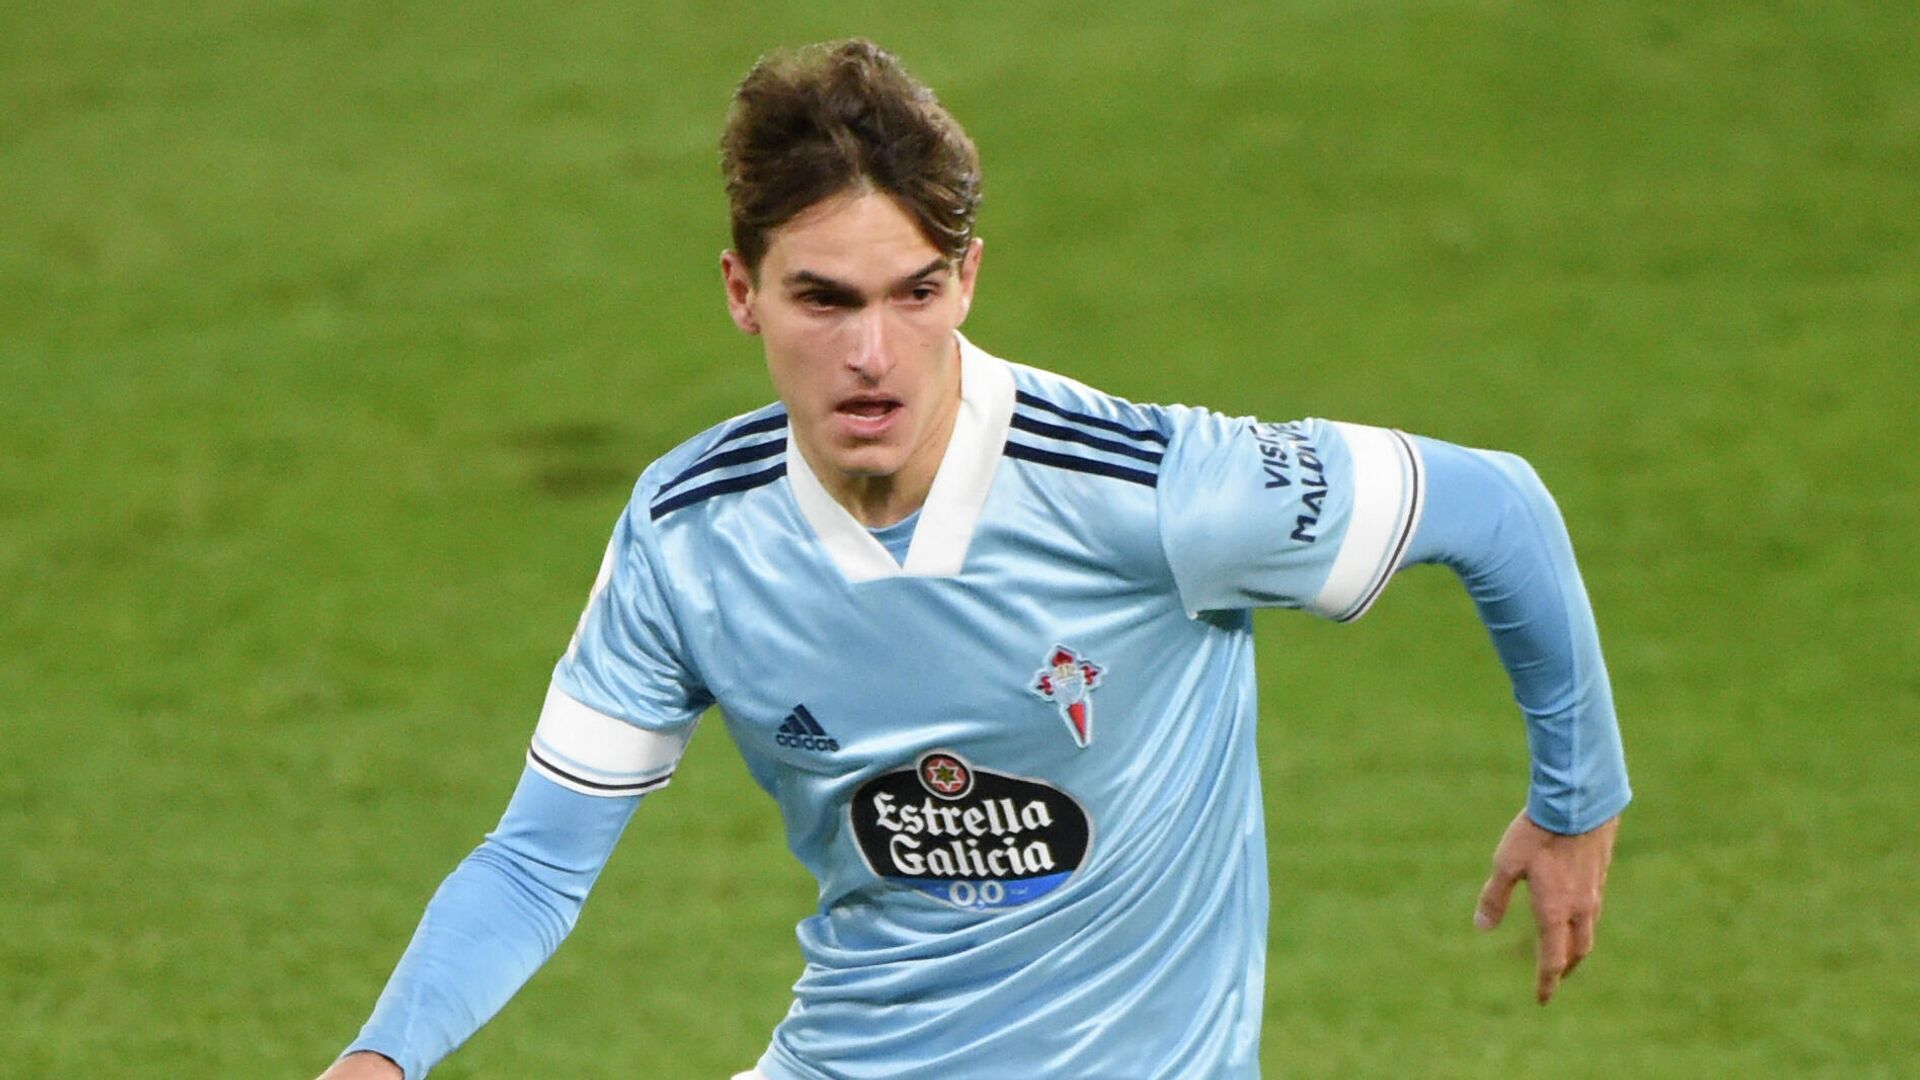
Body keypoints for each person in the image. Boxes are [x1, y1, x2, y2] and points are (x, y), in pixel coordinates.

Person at [318, 38, 1628, 1080]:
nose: (872, 352)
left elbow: (1497, 511)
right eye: (823, 298)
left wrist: (1576, 803)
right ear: (741, 293)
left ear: (968, 279)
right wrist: (385, 1054)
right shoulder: (688, 536)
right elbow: (541, 860)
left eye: (913, 293)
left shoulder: (1152, 492)